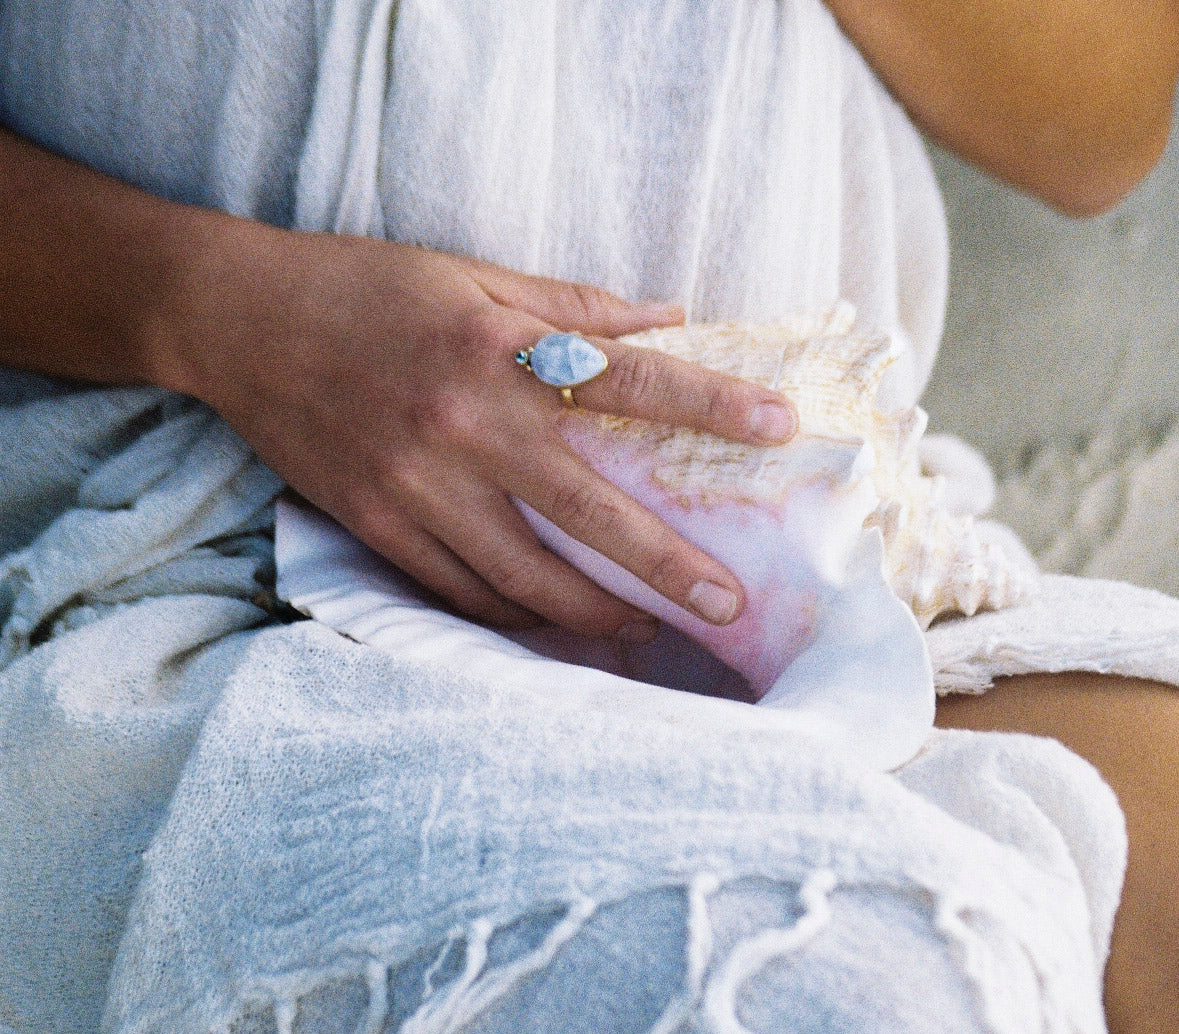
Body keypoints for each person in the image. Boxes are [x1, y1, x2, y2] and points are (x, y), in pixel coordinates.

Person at [1, 1, 1177, 1031]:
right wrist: (234, 316)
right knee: (858, 987)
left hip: (832, 560)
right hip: (192, 564)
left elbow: (1099, 127)